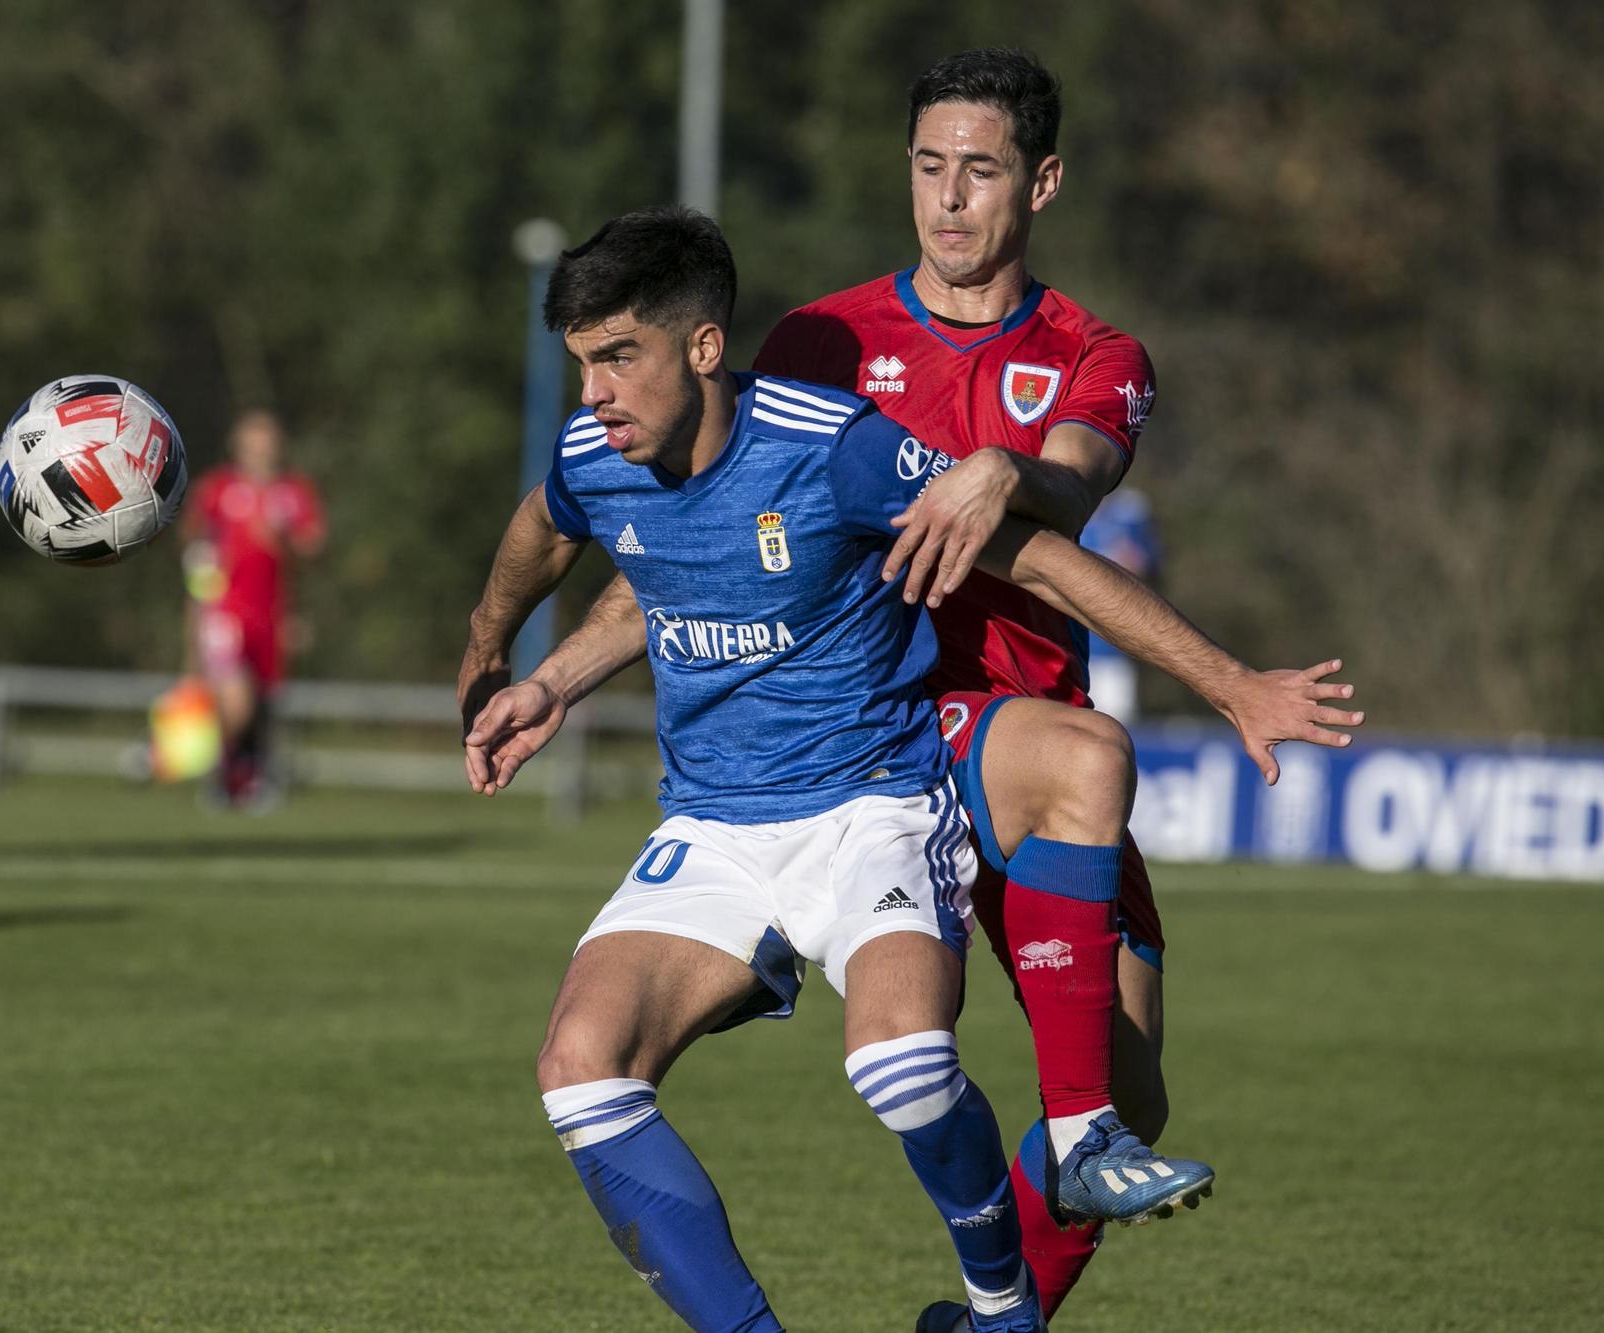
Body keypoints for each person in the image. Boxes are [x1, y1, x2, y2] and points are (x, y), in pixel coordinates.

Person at [460, 208, 1359, 1332]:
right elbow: (545, 529)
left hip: (868, 810)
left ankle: (998, 1304)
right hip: (711, 830)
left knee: (902, 1065)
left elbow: (1038, 558)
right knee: (578, 1072)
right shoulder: (600, 452)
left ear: (700, 347)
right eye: (580, 362)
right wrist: (506, 652)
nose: (593, 392)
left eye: (616, 357)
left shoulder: (832, 443)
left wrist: (1226, 680)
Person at [747, 48, 1306, 1319]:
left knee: (1136, 1080)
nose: (949, 199)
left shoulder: (1095, 352)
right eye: (929, 168)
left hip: (1034, 716)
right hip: (886, 723)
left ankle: (1001, 1308)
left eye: (981, 171)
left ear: (1040, 183)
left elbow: (1071, 478)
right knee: (1076, 801)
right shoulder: (819, 342)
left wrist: (1006, 468)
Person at [179, 408, 326, 809]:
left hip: (273, 614)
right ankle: (219, 768)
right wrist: (198, 602)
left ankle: (243, 777)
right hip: (224, 612)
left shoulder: (294, 492)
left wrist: (283, 543)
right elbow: (192, 544)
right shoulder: (217, 489)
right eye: (253, 440)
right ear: (238, 445)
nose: (261, 449)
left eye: (268, 440)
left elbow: (314, 547)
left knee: (263, 700)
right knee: (236, 697)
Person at [1077, 490, 1163, 722]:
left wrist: (1137, 561)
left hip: (1114, 651)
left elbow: (1152, 562)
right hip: (1069, 651)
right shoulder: (1067, 510)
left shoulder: (1130, 513)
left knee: (1119, 727)